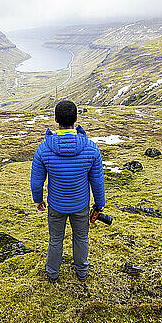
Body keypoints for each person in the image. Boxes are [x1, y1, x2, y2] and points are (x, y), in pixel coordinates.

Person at [30, 100, 106, 283]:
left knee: (55, 240)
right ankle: (82, 273)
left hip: (56, 205)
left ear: (56, 119)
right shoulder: (91, 148)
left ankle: (52, 274)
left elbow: (36, 181)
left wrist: (38, 200)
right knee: (81, 238)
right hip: (81, 205)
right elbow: (97, 181)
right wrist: (100, 204)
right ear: (76, 119)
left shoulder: (44, 149)